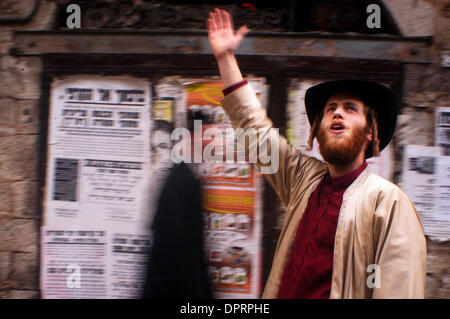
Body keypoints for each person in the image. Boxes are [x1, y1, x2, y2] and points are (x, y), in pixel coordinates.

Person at [206, 8, 426, 298]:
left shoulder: (388, 204)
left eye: (350, 108)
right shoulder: (302, 180)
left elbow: (398, 290)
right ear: (317, 129)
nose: (337, 113)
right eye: (330, 109)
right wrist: (225, 58)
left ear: (370, 132)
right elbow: (255, 132)